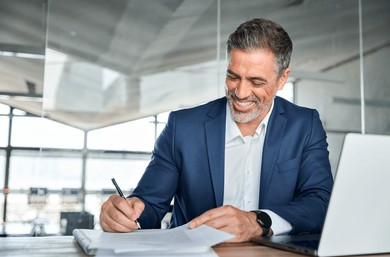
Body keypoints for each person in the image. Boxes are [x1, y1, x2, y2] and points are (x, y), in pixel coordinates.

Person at [100, 18, 333, 242]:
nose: (240, 93)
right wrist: (124, 214)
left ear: (282, 78)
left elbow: (320, 203)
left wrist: (258, 222)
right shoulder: (182, 127)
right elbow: (149, 205)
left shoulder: (305, 125)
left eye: (256, 82)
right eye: (233, 76)